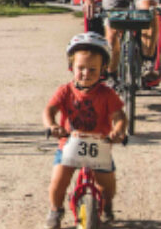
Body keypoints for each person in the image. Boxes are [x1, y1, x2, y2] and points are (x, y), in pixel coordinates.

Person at [43, 33, 128, 229]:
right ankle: (55, 209)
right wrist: (52, 125)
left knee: (108, 185)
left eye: (93, 69)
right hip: (69, 145)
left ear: (103, 70)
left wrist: (118, 130)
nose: (86, 73)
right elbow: (50, 110)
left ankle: (106, 205)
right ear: (71, 67)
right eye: (80, 68)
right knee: (58, 180)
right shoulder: (65, 91)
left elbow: (119, 116)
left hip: (100, 145)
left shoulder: (107, 94)